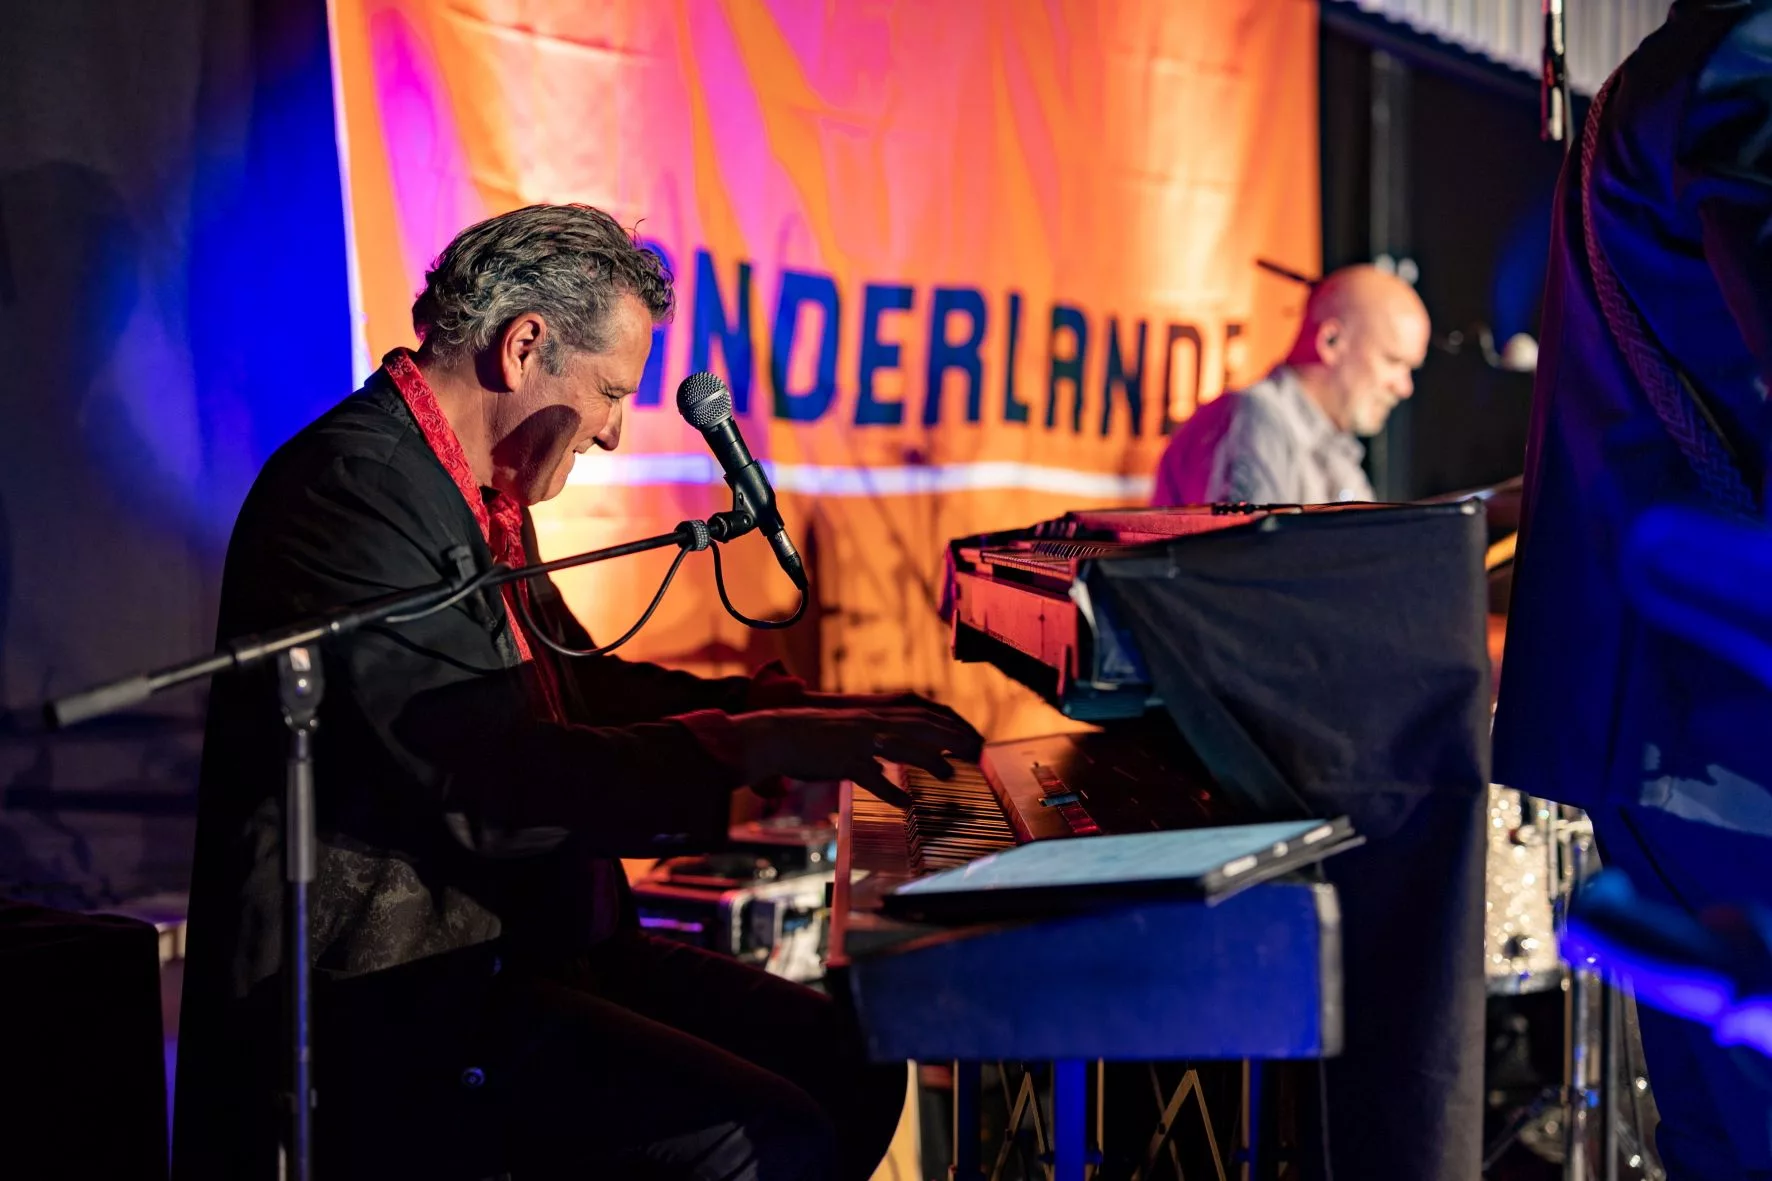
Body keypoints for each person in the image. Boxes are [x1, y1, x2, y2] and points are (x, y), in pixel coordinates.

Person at [171, 203, 982, 1181]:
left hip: (518, 948)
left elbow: (575, 685)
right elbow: (485, 778)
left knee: (849, 1057)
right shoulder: (353, 490)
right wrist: (753, 744)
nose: (611, 432)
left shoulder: (473, 486)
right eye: (610, 392)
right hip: (395, 995)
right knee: (762, 1142)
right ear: (524, 346)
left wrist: (784, 713)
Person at [1493, 2, 1772, 1177]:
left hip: (1662, 724)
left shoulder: (1660, 75)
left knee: (1715, 1135)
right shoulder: (1743, 56)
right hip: (1725, 739)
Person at [1151, 264, 1430, 506]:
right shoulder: (1256, 419)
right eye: (1393, 361)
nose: (1404, 387)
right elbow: (1250, 550)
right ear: (1331, 342)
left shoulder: (1333, 444)